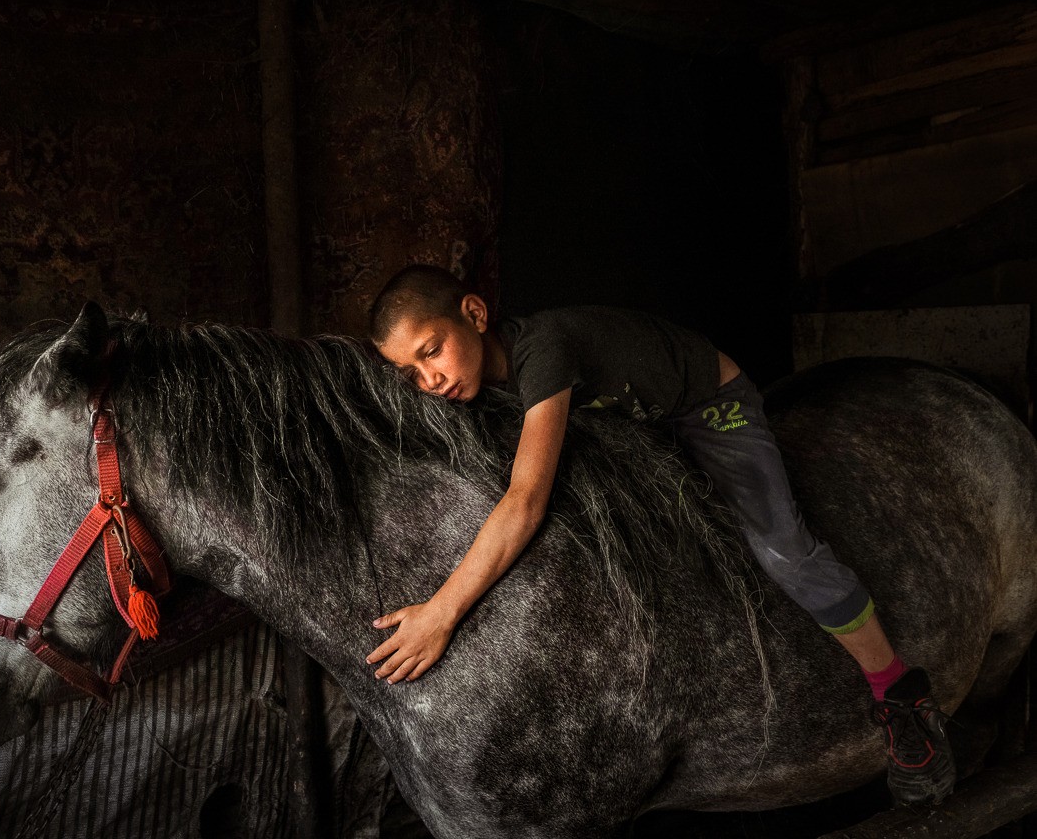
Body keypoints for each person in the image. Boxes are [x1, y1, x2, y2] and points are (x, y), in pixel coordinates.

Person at [364, 263, 955, 806]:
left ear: (474, 314)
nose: (429, 379)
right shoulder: (472, 386)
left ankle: (901, 694)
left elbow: (524, 502)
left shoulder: (544, 349)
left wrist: (441, 613)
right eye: (409, 372)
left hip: (705, 406)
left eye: (432, 351)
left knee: (785, 550)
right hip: (629, 425)